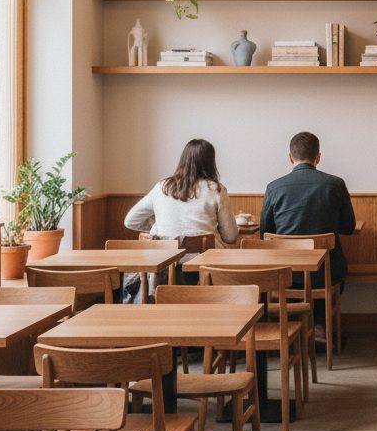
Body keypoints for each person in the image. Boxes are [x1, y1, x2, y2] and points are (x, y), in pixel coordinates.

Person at [261, 131, 356, 342]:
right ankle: (319, 324)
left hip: (287, 273)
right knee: (331, 272)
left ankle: (293, 326)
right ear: (318, 157)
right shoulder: (335, 184)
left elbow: (265, 234)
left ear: (290, 157)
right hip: (326, 273)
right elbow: (349, 227)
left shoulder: (274, 187)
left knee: (291, 276)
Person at [123, 138, 239, 299]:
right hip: (203, 269)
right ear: (210, 162)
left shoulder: (162, 187)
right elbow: (231, 237)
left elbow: (130, 221)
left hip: (163, 269)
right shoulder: (216, 190)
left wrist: (158, 228)